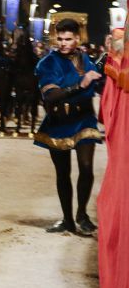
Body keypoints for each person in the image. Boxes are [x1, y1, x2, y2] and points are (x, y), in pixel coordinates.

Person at [34, 19, 104, 235]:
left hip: (84, 119)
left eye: (68, 39)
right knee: (63, 173)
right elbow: (52, 95)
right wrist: (80, 84)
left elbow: (100, 84)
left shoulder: (87, 61)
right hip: (59, 122)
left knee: (86, 167)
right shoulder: (47, 63)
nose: (63, 43)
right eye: (60, 39)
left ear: (77, 39)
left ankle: (82, 215)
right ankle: (67, 219)